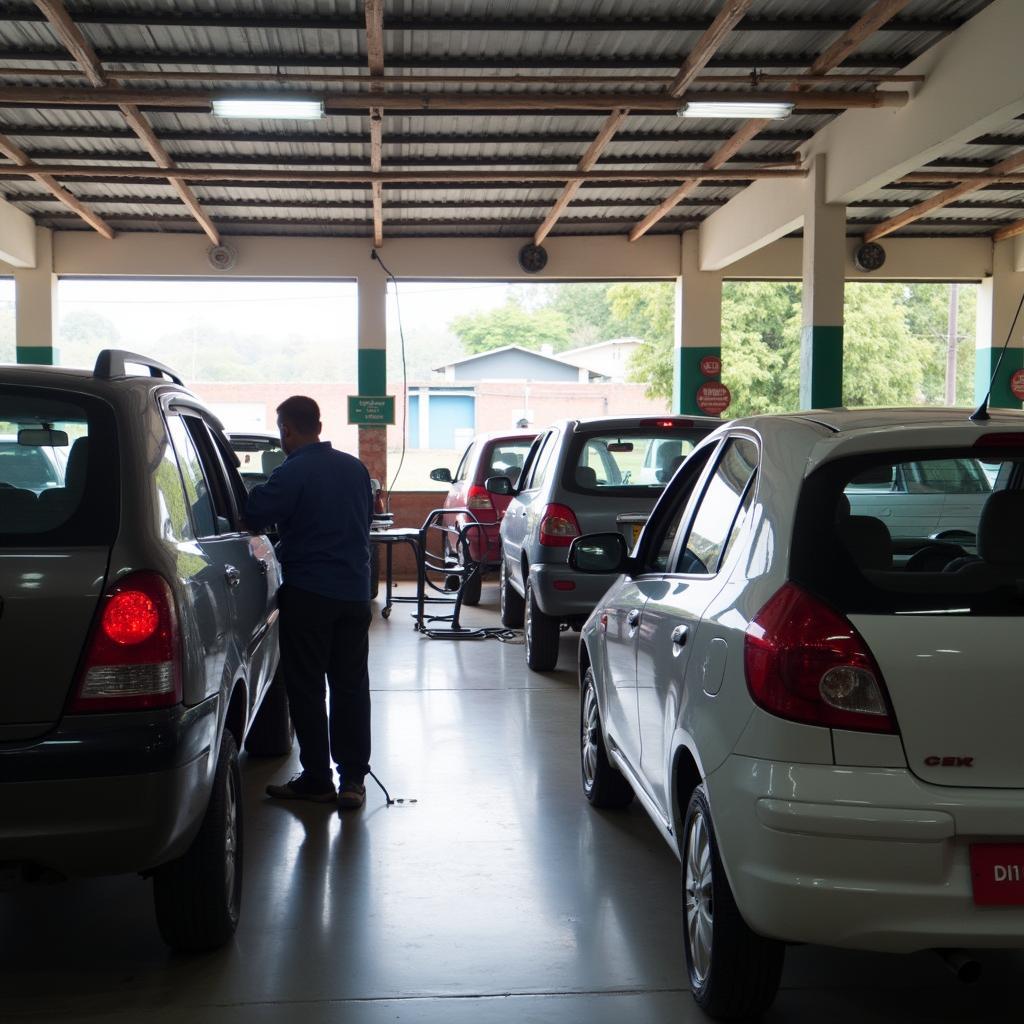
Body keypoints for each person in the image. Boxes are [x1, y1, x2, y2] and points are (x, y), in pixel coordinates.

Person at [246, 396, 374, 810]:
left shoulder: (294, 470)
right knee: (351, 685)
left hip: (310, 593)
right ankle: (353, 780)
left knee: (306, 686)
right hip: (355, 594)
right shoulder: (355, 468)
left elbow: (255, 513)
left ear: (287, 428)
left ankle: (318, 778)